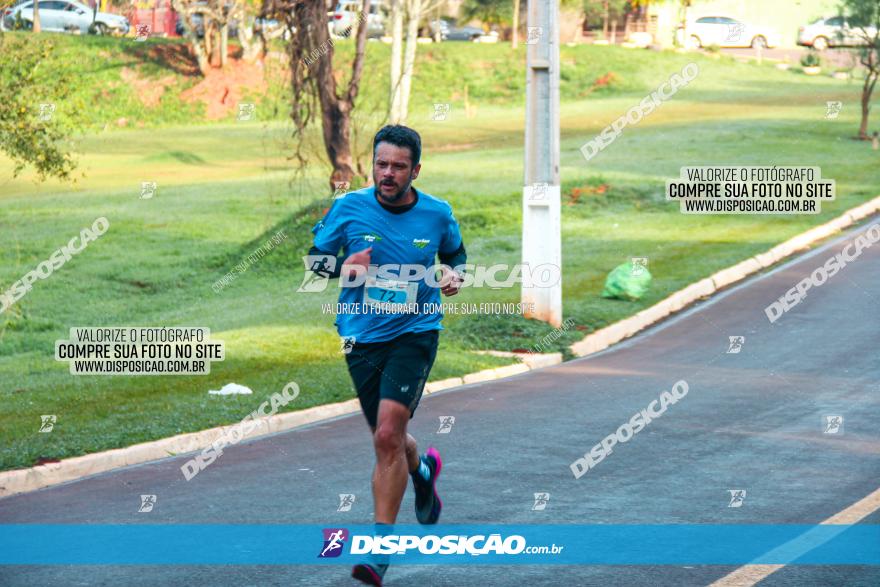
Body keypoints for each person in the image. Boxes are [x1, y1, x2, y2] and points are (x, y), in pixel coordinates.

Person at [307, 125, 467, 586]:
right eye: (381, 164)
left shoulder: (437, 213)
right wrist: (342, 265)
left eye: (399, 166)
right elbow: (315, 260)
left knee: (386, 434)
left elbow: (456, 255)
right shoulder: (349, 208)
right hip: (361, 336)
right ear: (371, 164)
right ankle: (423, 469)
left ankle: (379, 554)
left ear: (416, 170)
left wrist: (455, 277)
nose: (388, 174)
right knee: (389, 440)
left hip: (415, 333)